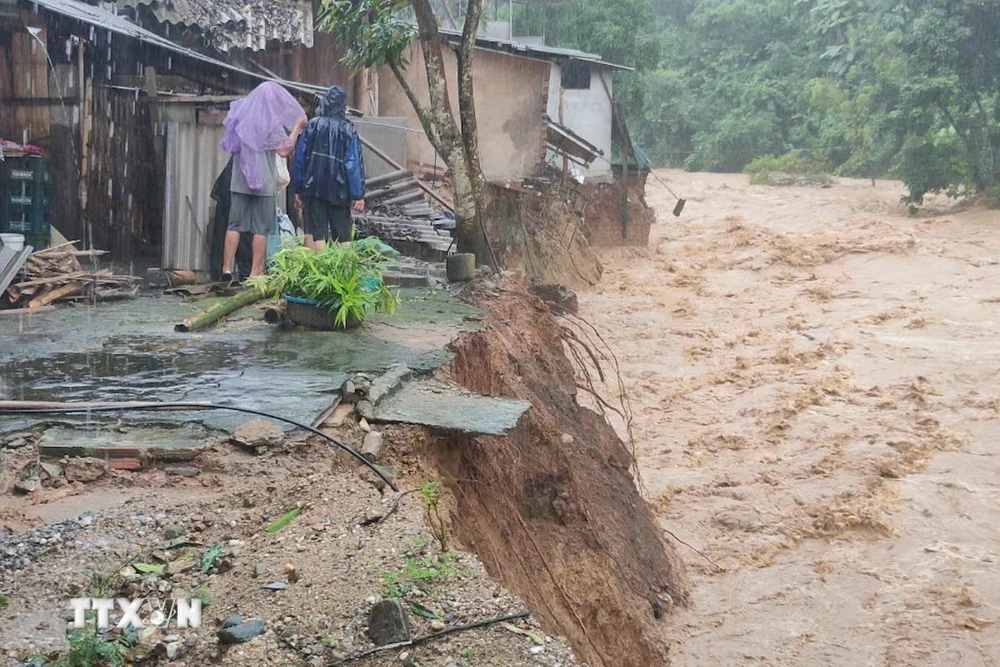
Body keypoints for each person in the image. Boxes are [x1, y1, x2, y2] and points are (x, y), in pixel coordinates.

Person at [220, 82, 307, 280]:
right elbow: (284, 150)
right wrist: (297, 127)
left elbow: (231, 145)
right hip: (265, 183)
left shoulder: (240, 115)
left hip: (240, 181)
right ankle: (254, 273)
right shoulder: (271, 122)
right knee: (261, 229)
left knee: (234, 225)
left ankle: (226, 269)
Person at [291, 85, 366, 250]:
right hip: (340, 190)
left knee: (317, 232)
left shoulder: (312, 126)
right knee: (343, 233)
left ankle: (320, 269)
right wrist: (357, 194)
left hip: (314, 187)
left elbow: (300, 158)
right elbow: (352, 164)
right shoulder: (348, 130)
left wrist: (298, 187)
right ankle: (343, 271)